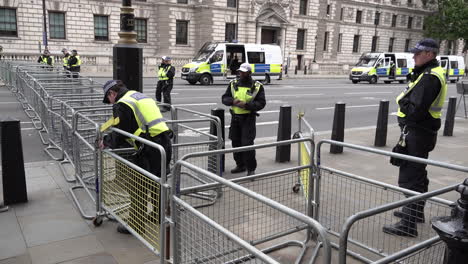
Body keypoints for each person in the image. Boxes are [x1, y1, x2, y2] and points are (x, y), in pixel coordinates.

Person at [383, 38, 447, 237]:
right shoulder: (428, 73)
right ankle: (415, 213)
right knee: (418, 173)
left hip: (418, 132)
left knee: (410, 177)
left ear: (429, 54)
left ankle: (408, 224)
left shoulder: (430, 77)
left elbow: (415, 110)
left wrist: (404, 104)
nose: (413, 56)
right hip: (421, 132)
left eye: (418, 53)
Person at [100, 80, 172, 234]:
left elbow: (121, 131)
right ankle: (157, 215)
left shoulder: (122, 103)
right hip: (163, 142)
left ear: (112, 93)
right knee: (157, 181)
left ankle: (136, 224)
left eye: (109, 99)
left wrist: (105, 141)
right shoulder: (138, 96)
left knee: (138, 185)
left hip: (148, 146)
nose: (110, 102)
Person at [222, 63, 266, 176]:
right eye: (240, 71)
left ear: (249, 73)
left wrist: (246, 105)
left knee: (247, 144)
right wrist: (232, 102)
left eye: (244, 72)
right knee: (235, 142)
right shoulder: (233, 83)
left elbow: (261, 103)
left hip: (248, 119)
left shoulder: (257, 86)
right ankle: (240, 165)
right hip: (235, 119)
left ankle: (251, 169)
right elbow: (224, 98)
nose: (241, 73)